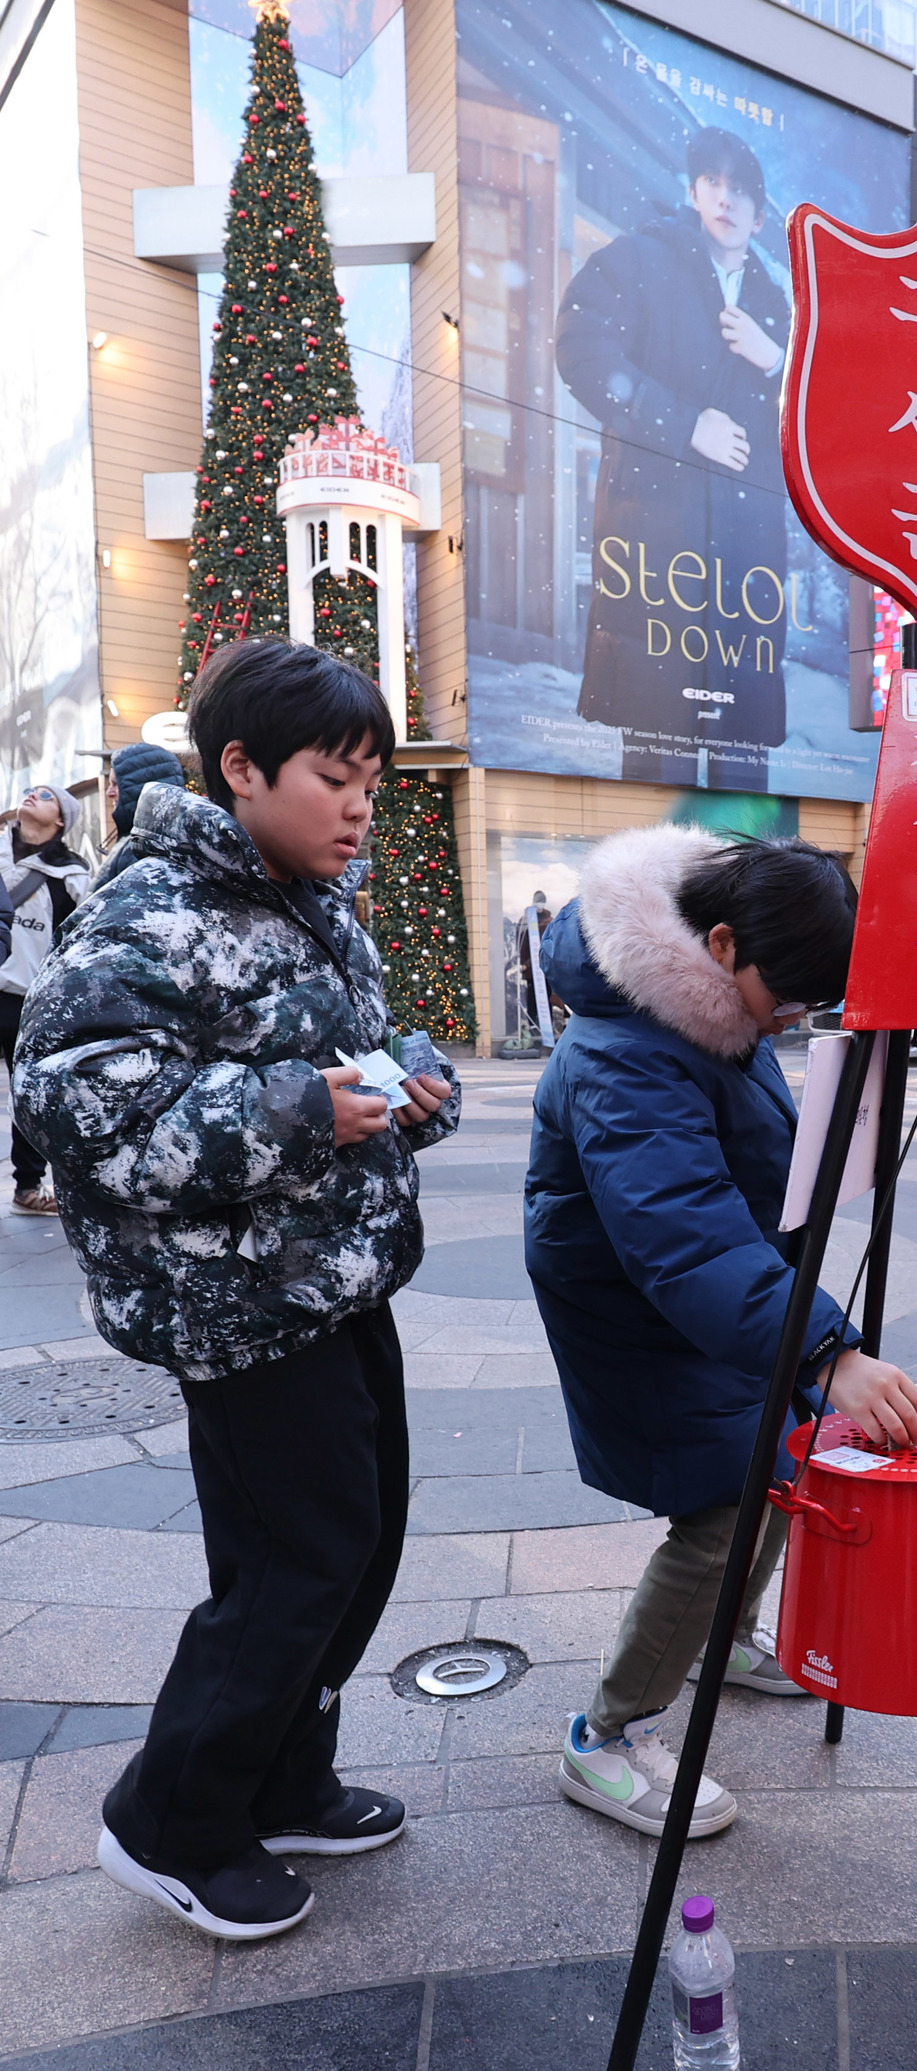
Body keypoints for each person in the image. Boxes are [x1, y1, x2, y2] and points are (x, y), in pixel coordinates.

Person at [13, 639, 460, 1941]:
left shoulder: (305, 892)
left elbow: (333, 1062)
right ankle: (173, 1820)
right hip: (240, 1305)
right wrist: (303, 1106)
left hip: (335, 1279)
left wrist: (402, 1079)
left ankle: (285, 1776)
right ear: (241, 767)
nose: (362, 802)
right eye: (337, 774)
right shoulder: (151, 905)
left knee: (355, 1548)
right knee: (292, 1565)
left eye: (374, 776)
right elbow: (78, 1102)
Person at [525, 826, 917, 1837]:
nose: (789, 1018)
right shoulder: (626, 1052)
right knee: (718, 1516)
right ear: (716, 945)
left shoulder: (707, 1016)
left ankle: (718, 1639)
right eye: (783, 996)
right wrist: (825, 1353)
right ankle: (606, 1735)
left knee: (775, 1472)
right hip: (646, 1316)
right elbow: (682, 1239)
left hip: (725, 1303)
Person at [556, 127, 790, 791]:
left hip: (745, 564)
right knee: (661, 782)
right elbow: (580, 347)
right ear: (693, 189)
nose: (726, 199)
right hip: (658, 542)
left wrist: (776, 359)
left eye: (742, 188)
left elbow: (824, 418)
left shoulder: (778, 306)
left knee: (747, 795)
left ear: (761, 212)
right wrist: (687, 425)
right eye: (714, 181)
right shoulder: (638, 260)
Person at [0, 783, 91, 1214]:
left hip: (28, 1000)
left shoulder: (73, 876)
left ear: (61, 821)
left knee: (28, 1093)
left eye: (47, 794)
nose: (32, 795)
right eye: (30, 790)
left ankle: (27, 1186)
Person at [96, 741, 186, 884]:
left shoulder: (142, 847)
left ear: (140, 789)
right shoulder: (171, 841)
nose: (109, 793)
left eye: (115, 784)